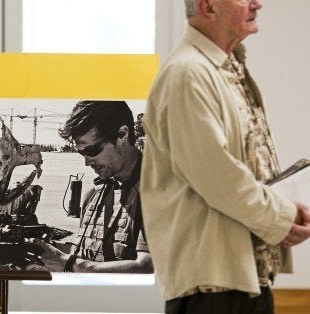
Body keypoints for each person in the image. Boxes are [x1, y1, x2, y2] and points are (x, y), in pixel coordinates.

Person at [141, 0, 310, 312]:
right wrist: (281, 217)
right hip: (213, 289)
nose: (257, 4)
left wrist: (284, 210)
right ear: (208, 6)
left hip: (242, 280)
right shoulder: (188, 73)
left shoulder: (223, 70)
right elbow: (218, 176)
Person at [28, 100, 153, 273]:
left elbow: (146, 267)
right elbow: (87, 257)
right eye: (81, 152)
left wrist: (67, 262)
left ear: (122, 134)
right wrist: (48, 254)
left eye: (92, 150)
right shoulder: (94, 195)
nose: (87, 162)